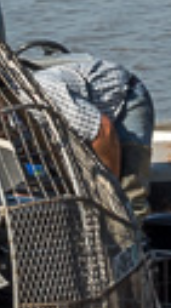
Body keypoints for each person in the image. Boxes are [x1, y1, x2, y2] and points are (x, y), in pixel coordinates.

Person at [31, 54, 157, 218]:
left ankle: (134, 238)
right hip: (81, 117)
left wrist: (109, 195)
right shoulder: (10, 123)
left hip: (124, 97)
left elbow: (103, 131)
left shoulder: (40, 96)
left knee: (128, 195)